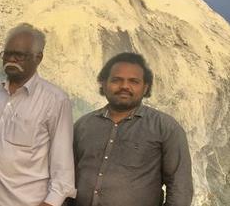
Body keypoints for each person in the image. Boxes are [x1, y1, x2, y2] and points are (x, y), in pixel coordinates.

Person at [0, 23, 76, 206]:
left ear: (38, 57)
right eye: (7, 54)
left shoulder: (55, 100)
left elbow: (62, 163)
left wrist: (51, 202)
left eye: (19, 55)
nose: (11, 60)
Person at [70, 52, 192, 206]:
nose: (124, 86)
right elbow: (66, 177)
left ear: (145, 87)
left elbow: (180, 187)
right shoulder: (83, 125)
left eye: (134, 81)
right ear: (103, 84)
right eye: (116, 80)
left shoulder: (165, 128)